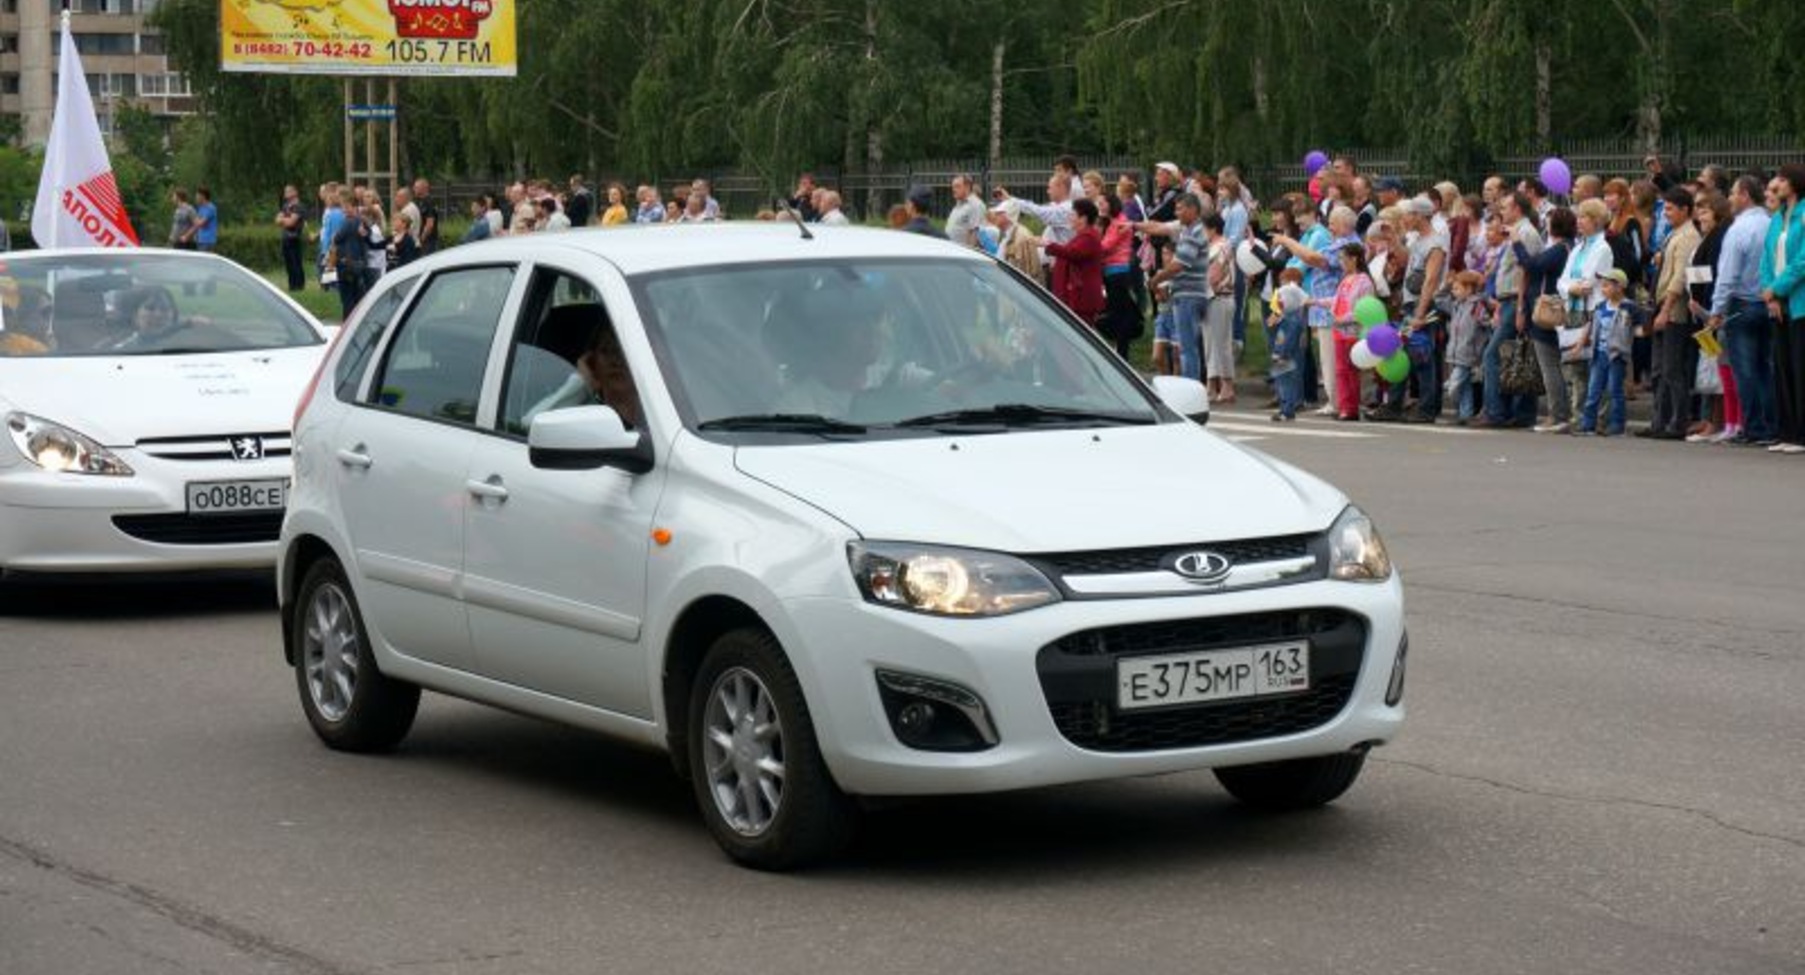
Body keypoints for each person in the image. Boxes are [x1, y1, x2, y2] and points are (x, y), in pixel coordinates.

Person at [1708, 175, 1777, 446]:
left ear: (1745, 195)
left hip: (1742, 303)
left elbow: (1728, 275)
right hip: (1768, 303)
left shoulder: (1739, 229)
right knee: (1765, 368)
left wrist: (1717, 309)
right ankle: (1771, 424)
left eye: (1734, 194)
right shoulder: (1771, 224)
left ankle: (1753, 427)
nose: (1729, 199)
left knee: (1745, 370)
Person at [1373, 198, 1448, 423]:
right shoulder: (1418, 240)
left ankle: (1426, 409)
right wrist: (1393, 239)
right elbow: (1407, 260)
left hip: (1422, 306)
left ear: (1420, 215)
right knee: (1400, 354)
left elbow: (1431, 280)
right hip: (1411, 304)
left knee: (1422, 357)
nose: (1404, 218)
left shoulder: (1436, 243)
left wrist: (1420, 313)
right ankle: (1394, 405)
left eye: (1408, 214)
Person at [1477, 191, 1542, 428]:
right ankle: (1518, 412)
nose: (1501, 212)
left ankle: (1495, 412)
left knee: (1494, 354)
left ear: (1517, 209)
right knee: (1516, 356)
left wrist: (1521, 308)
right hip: (1509, 301)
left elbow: (1527, 271)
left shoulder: (1525, 232)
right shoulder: (1517, 232)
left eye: (1505, 207)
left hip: (1516, 301)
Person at [1643, 187, 1702, 439]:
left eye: (1669, 208)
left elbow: (1680, 277)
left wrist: (1666, 309)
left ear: (1684, 210)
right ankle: (1659, 420)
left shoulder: (1688, 235)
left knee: (1672, 368)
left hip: (1674, 311)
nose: (1665, 214)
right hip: (1660, 305)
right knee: (1659, 369)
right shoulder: (1674, 234)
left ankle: (1677, 421)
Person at [1760, 163, 1805, 454]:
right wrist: (1770, 295)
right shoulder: (1777, 218)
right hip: (1778, 302)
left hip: (1799, 300)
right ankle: (1786, 430)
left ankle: (1802, 433)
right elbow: (1767, 257)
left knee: (1800, 367)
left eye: (1783, 179)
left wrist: (1777, 288)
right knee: (1782, 365)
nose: (1778, 183)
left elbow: (1802, 261)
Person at [1687, 193, 1738, 443]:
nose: (1700, 216)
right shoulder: (1708, 237)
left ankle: (1717, 421)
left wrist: (1709, 309)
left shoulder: (1719, 238)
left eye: (1705, 211)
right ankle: (1711, 421)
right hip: (1702, 309)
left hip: (1711, 311)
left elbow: (1714, 275)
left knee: (1717, 370)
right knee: (1711, 369)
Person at [526, 321, 642, 430]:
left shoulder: (657, 410)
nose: (615, 360)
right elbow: (530, 424)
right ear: (592, 361)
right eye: (606, 351)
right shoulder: (583, 415)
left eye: (622, 351)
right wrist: (583, 382)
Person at [1145, 193, 1208, 382]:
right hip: (1188, 293)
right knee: (1188, 346)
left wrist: (1157, 278)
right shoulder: (1189, 231)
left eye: (1180, 208)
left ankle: (1191, 388)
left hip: (1188, 295)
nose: (1176, 212)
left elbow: (1179, 264)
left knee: (1187, 347)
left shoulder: (1193, 232)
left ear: (1193, 210)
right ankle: (1191, 385)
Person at [1576, 268, 1639, 436]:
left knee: (1614, 390)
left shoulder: (1629, 307)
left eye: (1607, 286)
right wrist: (1580, 344)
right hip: (1598, 354)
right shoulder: (1600, 307)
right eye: (1602, 286)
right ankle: (1587, 424)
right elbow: (1590, 326)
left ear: (1620, 287)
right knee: (1593, 390)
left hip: (1617, 355)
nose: (1603, 289)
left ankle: (1617, 425)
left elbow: (1639, 329)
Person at [1036, 197, 1105, 327]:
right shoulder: (1083, 235)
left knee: (1082, 333)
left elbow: (1072, 253)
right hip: (1077, 297)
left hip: (1082, 298)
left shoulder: (1089, 237)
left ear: (1083, 218)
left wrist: (1047, 244)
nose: (1069, 218)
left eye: (1073, 214)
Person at [1327, 243, 1376, 421]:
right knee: (1340, 370)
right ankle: (1343, 405)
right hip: (1339, 331)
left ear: (1353, 258)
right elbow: (1336, 302)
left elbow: (1364, 309)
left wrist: (1343, 318)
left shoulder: (1364, 281)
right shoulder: (1345, 279)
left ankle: (1351, 407)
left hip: (1352, 331)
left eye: (1342, 258)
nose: (1340, 262)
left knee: (1350, 370)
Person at [1095, 194, 1141, 359]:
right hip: (1112, 272)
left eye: (1102, 202)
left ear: (1111, 204)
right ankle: (1120, 350)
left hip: (1118, 272)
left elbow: (1105, 246)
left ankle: (1122, 353)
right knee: (1118, 313)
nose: (1099, 206)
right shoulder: (1113, 222)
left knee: (1119, 315)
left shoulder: (1120, 223)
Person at [1444, 270, 1491, 424]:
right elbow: (1439, 300)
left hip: (1468, 352)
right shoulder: (1457, 305)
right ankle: (1466, 413)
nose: (1454, 291)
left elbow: (1486, 322)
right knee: (1465, 387)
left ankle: (1447, 390)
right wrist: (1446, 285)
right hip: (1456, 351)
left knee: (1454, 384)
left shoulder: (1476, 306)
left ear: (1469, 289)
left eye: (1457, 288)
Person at [1200, 212, 1238, 402]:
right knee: (1210, 343)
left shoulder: (1222, 246)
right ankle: (1211, 384)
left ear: (1213, 229)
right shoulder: (1211, 246)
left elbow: (1214, 274)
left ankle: (1227, 385)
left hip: (1220, 297)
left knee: (1221, 343)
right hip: (1210, 298)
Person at [1268, 271, 1308, 422]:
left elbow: (1286, 340)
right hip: (1285, 356)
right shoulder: (1290, 318)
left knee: (1286, 382)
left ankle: (1287, 409)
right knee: (1284, 382)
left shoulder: (1291, 320)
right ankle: (1286, 407)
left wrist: (1280, 354)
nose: (1278, 299)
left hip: (1284, 358)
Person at [329, 190, 371, 319]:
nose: (343, 209)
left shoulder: (348, 222)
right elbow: (367, 236)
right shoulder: (362, 220)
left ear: (350, 206)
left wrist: (335, 235)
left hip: (346, 263)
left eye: (344, 206)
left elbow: (336, 239)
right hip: (359, 262)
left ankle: (347, 323)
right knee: (357, 295)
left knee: (347, 298)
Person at [276, 185, 307, 292]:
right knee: (288, 264)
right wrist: (286, 219)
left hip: (295, 238)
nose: (286, 193)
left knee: (296, 263)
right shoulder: (285, 206)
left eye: (288, 191)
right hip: (285, 238)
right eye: (285, 191)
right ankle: (292, 286)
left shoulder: (299, 206)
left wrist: (283, 220)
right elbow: (276, 220)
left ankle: (299, 286)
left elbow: (291, 223)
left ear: (295, 192)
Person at [946, 174, 986, 248]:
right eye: (953, 187)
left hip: (963, 254)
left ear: (967, 187)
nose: (954, 190)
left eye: (957, 186)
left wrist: (969, 254)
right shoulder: (959, 204)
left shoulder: (975, 204)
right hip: (953, 250)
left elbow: (974, 232)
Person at [317, 183, 344, 290]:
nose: (326, 201)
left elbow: (330, 232)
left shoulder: (333, 214)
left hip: (330, 246)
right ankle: (328, 287)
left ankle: (328, 287)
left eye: (328, 199)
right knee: (328, 268)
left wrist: (326, 248)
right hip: (330, 245)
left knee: (328, 268)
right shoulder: (337, 212)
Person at [412, 178, 440, 253]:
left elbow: (429, 224)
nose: (414, 189)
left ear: (424, 188)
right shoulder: (419, 201)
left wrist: (421, 239)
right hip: (424, 240)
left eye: (416, 187)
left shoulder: (429, 202)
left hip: (429, 241)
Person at [193, 188, 218, 253]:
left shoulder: (210, 208)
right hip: (200, 240)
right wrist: (198, 221)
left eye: (197, 196)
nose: (196, 197)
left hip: (208, 241)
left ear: (203, 196)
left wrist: (198, 221)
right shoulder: (200, 208)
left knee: (206, 261)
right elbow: (196, 222)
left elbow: (201, 223)